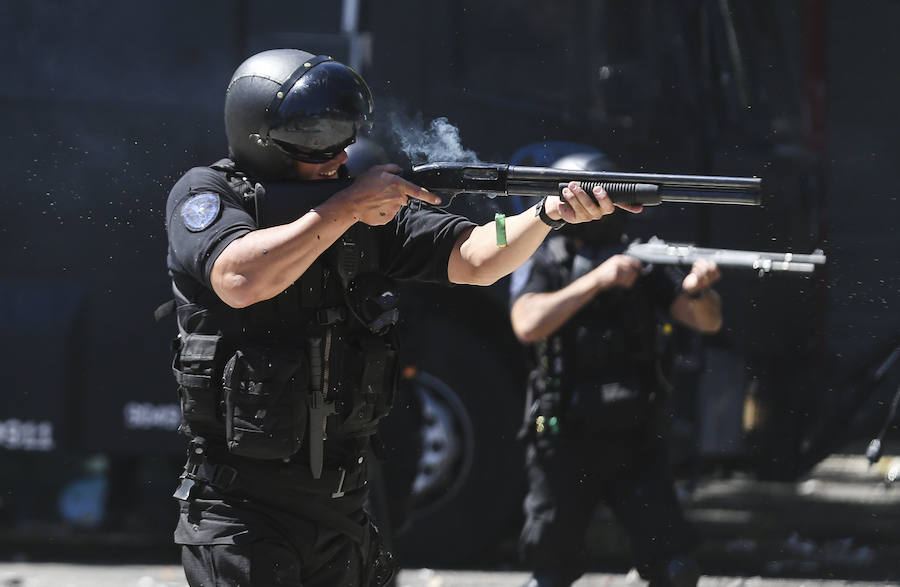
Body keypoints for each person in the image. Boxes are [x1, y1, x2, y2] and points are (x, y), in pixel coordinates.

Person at [164, 49, 637, 587]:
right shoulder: (210, 194)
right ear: (260, 139)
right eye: (317, 142)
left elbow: (477, 259)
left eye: (343, 140)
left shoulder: (361, 207)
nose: (337, 159)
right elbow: (239, 278)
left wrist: (544, 216)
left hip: (343, 507)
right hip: (243, 511)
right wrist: (346, 208)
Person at [509, 152, 722, 587]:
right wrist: (599, 280)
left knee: (676, 569)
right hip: (562, 434)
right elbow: (527, 324)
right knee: (548, 573)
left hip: (635, 436)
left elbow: (707, 321)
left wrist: (700, 291)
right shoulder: (548, 259)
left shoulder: (642, 260)